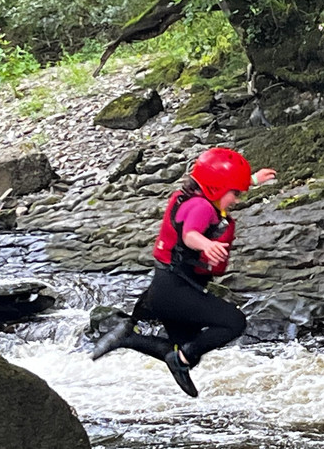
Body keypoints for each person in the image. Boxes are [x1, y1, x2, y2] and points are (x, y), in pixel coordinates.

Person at [91, 147, 275, 397]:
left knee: (187, 348)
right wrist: (207, 244)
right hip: (174, 290)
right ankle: (173, 358)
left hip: (168, 285)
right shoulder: (202, 208)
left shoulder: (193, 195)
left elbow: (219, 187)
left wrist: (252, 180)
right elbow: (190, 235)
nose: (237, 200)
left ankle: (128, 338)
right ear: (217, 189)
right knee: (233, 323)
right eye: (235, 193)